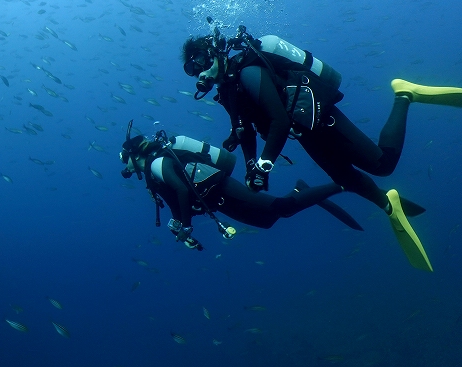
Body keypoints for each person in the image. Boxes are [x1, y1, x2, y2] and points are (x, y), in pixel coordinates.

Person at [181, 21, 462, 271]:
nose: (201, 73)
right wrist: (251, 164)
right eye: (194, 71)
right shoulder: (230, 89)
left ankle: (404, 94)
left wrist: (265, 164)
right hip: (305, 133)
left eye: (203, 63)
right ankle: (388, 203)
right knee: (344, 178)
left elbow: (278, 120)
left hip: (321, 119)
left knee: (382, 165)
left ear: (216, 53)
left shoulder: (248, 73)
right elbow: (244, 131)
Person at [118, 120, 363, 251]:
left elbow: (182, 190)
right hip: (216, 199)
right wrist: (182, 228)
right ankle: (301, 190)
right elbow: (175, 199)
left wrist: (187, 227)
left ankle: (342, 184)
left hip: (220, 186)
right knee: (267, 221)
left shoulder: (155, 163)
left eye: (125, 161)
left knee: (283, 207)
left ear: (133, 154)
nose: (126, 168)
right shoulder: (154, 172)